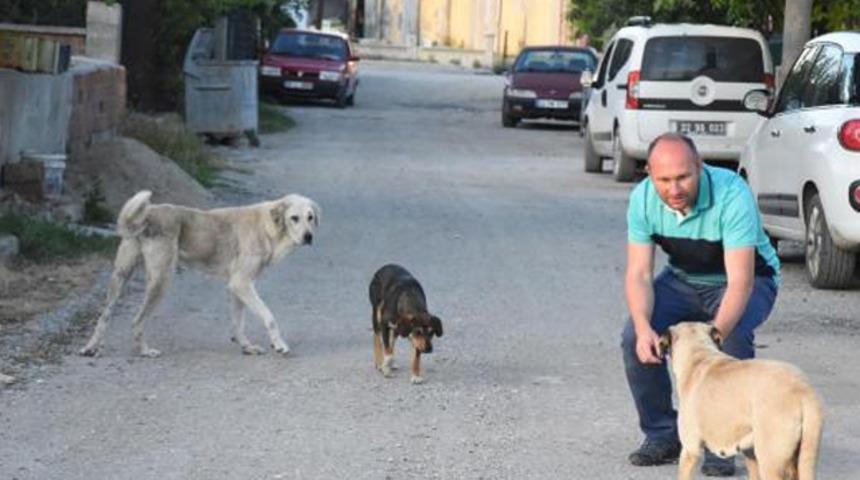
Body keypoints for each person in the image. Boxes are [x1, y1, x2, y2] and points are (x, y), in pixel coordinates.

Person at [621, 133, 780, 476]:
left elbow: (741, 282)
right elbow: (639, 274)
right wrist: (644, 326)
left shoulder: (731, 194)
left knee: (733, 338)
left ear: (700, 167)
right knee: (634, 335)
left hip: (747, 280)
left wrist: (714, 337)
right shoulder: (642, 198)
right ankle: (663, 434)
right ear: (649, 173)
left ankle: (722, 445)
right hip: (682, 279)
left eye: (683, 177)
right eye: (664, 179)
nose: (673, 188)